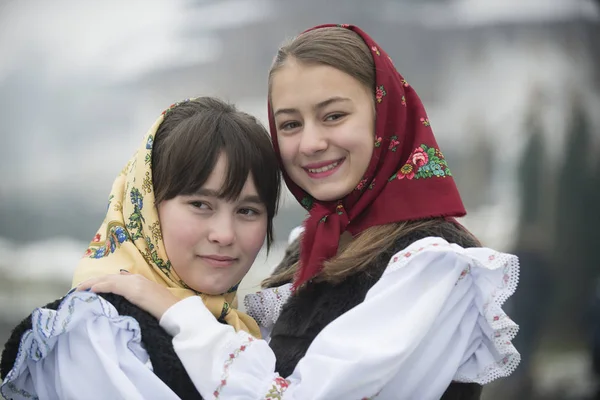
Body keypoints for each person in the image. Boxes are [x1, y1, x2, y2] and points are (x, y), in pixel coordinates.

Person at [73, 24, 521, 399]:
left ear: (386, 118)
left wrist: (173, 309)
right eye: (289, 124)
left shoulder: (434, 264)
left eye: (333, 116)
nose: (309, 143)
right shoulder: (311, 246)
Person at [0, 97, 281, 400]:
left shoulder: (248, 328)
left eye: (248, 211)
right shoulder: (100, 331)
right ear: (147, 207)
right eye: (200, 205)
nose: (225, 235)